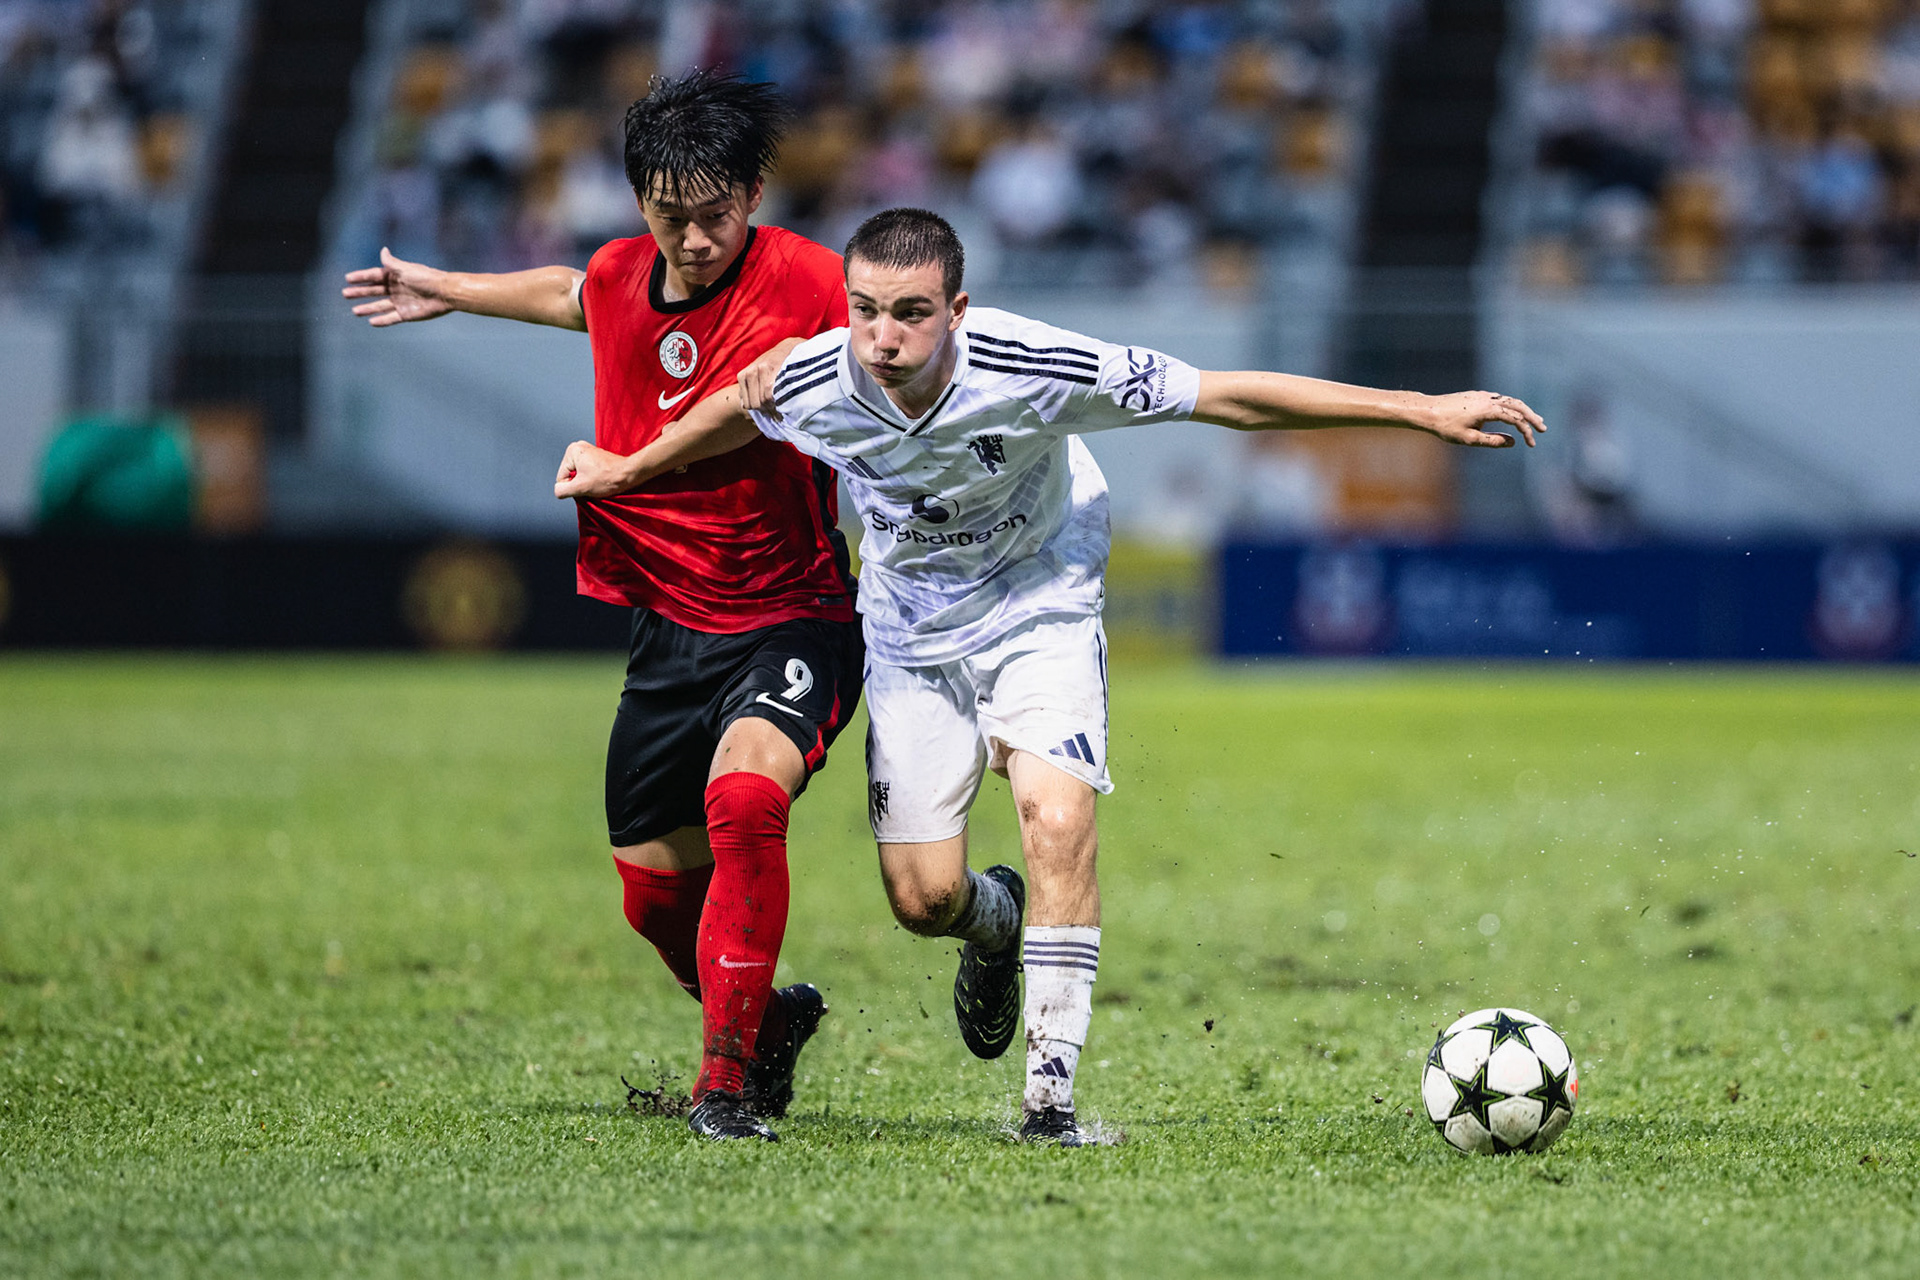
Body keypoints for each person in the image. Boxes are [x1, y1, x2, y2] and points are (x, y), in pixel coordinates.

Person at [553, 207, 1546, 1146]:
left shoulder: (1035, 364)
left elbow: (1227, 396)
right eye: (864, 309)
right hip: (910, 631)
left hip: (1041, 601)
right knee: (921, 897)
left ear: (959, 312)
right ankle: (996, 920)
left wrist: (1417, 407)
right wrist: (626, 468)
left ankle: (1049, 1101)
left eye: (911, 312)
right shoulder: (809, 378)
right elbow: (734, 406)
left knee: (1060, 821)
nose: (883, 336)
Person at [343, 71, 866, 1143]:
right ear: (640, 204)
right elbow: (573, 293)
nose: (696, 238)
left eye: (716, 214)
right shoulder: (629, 268)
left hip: (793, 613)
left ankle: (724, 1085)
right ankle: (768, 1018)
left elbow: (744, 409)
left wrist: (628, 467)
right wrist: (450, 285)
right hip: (668, 631)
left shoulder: (811, 281)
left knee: (746, 802)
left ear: (754, 195)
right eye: (672, 216)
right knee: (649, 895)